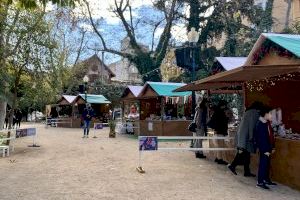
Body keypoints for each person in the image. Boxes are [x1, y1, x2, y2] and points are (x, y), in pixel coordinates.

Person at [228, 101, 263, 177]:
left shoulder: (248, 111)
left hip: (242, 134)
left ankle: (246, 171)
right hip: (246, 136)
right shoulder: (254, 113)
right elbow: (252, 125)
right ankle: (233, 165)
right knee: (242, 152)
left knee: (246, 153)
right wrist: (251, 136)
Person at [255, 106, 277, 189]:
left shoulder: (266, 123)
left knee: (267, 164)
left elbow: (270, 136)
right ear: (265, 114)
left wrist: (272, 147)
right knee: (263, 164)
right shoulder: (260, 124)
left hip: (268, 148)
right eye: (270, 114)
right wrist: (265, 150)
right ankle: (260, 182)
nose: (272, 115)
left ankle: (266, 179)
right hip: (264, 148)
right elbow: (261, 139)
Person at [209, 100, 230, 165]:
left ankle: (218, 158)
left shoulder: (217, 112)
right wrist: (227, 117)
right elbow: (223, 122)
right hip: (220, 132)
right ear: (223, 105)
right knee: (220, 146)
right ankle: (220, 159)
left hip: (216, 131)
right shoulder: (221, 112)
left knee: (218, 146)